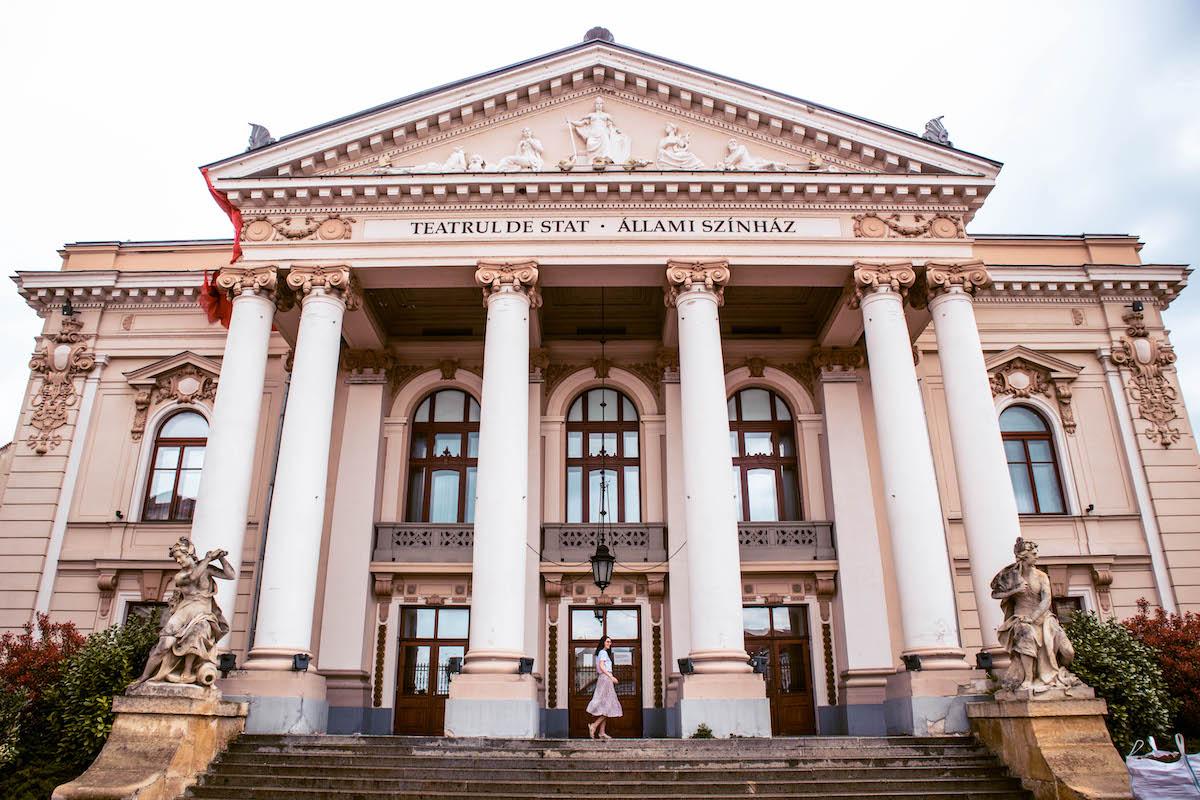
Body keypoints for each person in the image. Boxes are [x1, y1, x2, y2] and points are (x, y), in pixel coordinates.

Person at [132, 536, 235, 687]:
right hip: (184, 611)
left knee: (196, 637)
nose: (178, 561)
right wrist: (207, 558)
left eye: (179, 557)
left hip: (203, 613)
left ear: (188, 554)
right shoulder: (180, 576)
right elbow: (194, 577)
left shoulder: (206, 569)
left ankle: (187, 673)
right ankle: (144, 677)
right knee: (164, 645)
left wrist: (221, 559)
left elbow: (230, 575)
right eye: (176, 559)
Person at [586, 636, 622, 739]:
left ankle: (601, 732)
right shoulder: (603, 653)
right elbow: (602, 666)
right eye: (607, 641)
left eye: (610, 642)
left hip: (604, 678)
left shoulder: (601, 653)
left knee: (606, 705)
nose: (609, 643)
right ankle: (594, 726)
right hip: (606, 678)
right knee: (609, 705)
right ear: (603, 642)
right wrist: (611, 677)